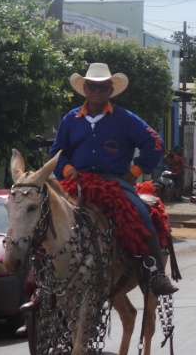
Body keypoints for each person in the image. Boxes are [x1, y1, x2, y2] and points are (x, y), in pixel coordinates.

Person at [49, 62, 177, 295]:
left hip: (115, 182)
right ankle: (42, 283)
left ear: (110, 90)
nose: (97, 91)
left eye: (102, 87)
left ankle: (155, 272)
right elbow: (57, 151)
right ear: (85, 89)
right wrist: (67, 170)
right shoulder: (70, 119)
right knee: (44, 216)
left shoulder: (125, 119)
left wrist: (133, 174)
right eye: (92, 86)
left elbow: (155, 143)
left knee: (141, 213)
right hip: (76, 181)